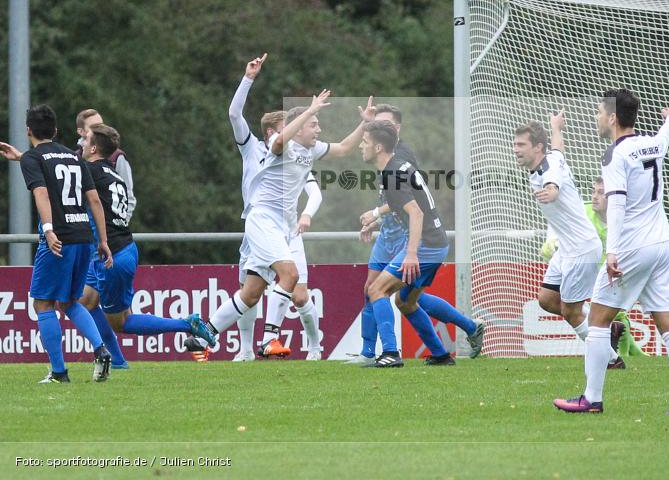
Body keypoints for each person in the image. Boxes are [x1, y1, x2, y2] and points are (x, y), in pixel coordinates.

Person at [554, 90, 669, 415]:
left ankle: (591, 398)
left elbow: (616, 203)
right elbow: (666, 136)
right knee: (668, 321)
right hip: (662, 245)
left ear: (613, 117)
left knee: (597, 319)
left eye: (599, 112)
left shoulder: (615, 155)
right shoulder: (651, 143)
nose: (596, 118)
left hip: (632, 247)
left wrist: (612, 251)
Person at [198, 87, 375, 351]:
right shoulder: (279, 145)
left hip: (282, 227)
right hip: (262, 221)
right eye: (314, 124)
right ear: (299, 127)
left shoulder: (311, 150)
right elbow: (278, 140)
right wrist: (310, 111)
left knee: (251, 294)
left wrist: (365, 123)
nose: (318, 129)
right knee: (290, 275)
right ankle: (269, 340)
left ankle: (203, 334)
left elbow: (345, 147)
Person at [349, 105, 484, 366]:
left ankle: (389, 353)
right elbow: (407, 205)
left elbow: (416, 213)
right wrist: (376, 217)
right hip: (435, 243)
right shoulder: (396, 166)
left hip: (426, 245)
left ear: (378, 147)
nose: (360, 146)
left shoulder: (393, 172)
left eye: (364, 142)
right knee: (406, 301)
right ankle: (442, 355)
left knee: (376, 290)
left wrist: (411, 253)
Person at [77, 124, 215, 353]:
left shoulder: (89, 171)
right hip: (123, 249)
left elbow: (57, 174)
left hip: (112, 256)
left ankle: (186, 324)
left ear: (93, 149)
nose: (81, 143)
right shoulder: (113, 175)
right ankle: (116, 362)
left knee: (121, 322)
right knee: (86, 301)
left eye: (86, 139)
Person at [0, 105, 113, 383]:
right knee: (70, 301)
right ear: (56, 131)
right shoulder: (75, 158)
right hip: (84, 237)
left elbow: (41, 191)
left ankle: (59, 373)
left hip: (58, 239)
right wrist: (103, 240)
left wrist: (48, 230)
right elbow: (94, 200)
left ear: (28, 131)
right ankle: (101, 350)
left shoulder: (33, 159)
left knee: (42, 303)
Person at [541, 176, 669, 360]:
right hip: (585, 268)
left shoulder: (628, 224)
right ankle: (622, 347)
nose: (594, 197)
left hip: (615, 271)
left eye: (600, 193)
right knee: (548, 301)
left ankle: (620, 356)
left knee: (613, 311)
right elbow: (558, 218)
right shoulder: (584, 212)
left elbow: (658, 261)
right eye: (593, 191)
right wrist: (553, 238)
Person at [224, 54, 323, 361]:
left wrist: (306, 214)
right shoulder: (251, 147)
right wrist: (248, 78)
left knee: (299, 290)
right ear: (272, 132)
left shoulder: (297, 154)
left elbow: (314, 190)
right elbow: (233, 114)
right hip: (257, 224)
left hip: (286, 228)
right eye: (288, 126)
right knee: (248, 290)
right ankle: (246, 350)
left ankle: (314, 346)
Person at [513, 112, 602, 346]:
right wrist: (556, 128)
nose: (515, 149)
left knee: (571, 313)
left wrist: (551, 190)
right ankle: (605, 327)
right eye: (515, 144)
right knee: (547, 299)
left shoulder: (547, 171)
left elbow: (552, 183)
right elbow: (559, 149)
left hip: (581, 248)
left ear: (537, 147)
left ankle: (609, 356)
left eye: (521, 144)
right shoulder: (552, 156)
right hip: (567, 248)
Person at [75, 109, 136, 223]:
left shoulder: (117, 156)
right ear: (81, 131)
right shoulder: (74, 157)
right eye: (94, 126)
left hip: (111, 231)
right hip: (83, 230)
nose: (99, 129)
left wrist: (121, 224)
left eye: (101, 125)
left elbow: (128, 196)